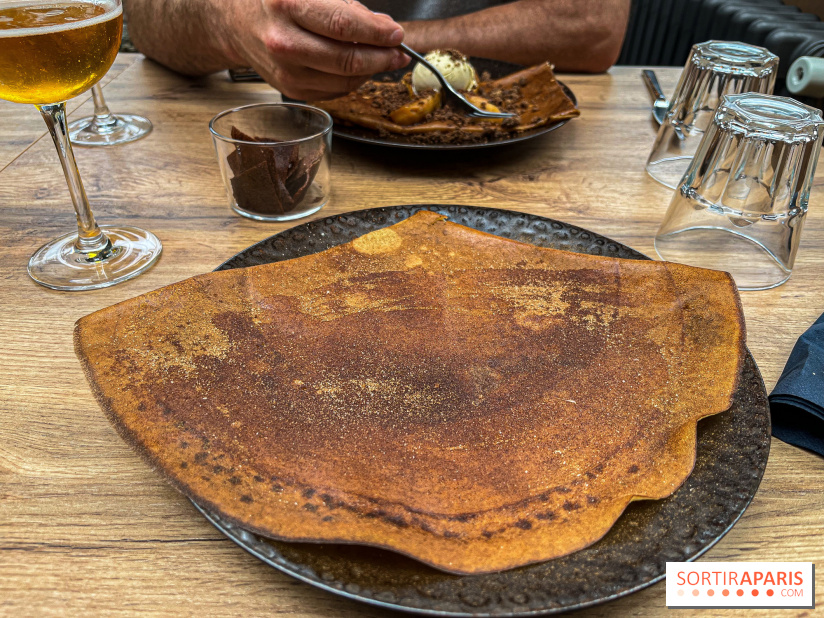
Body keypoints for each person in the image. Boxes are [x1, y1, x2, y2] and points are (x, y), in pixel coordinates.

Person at [123, 0, 630, 101]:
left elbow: (593, 25)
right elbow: (145, 20)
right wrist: (227, 20)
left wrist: (379, 43)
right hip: (282, 133)